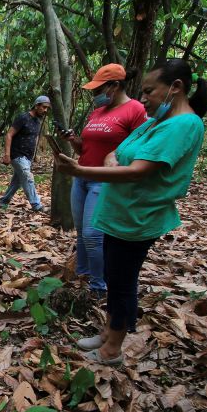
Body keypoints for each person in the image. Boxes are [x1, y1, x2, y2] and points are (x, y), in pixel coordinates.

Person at [55, 58, 207, 365]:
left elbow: (138, 170)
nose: (144, 98)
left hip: (138, 217)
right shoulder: (156, 123)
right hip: (119, 212)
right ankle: (107, 333)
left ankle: (112, 350)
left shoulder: (185, 124)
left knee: (123, 281)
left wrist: (84, 170)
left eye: (150, 91)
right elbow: (118, 150)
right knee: (114, 275)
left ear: (175, 88)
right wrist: (111, 159)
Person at [61, 64, 147, 296]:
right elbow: (85, 149)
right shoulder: (98, 112)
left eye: (99, 89)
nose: (95, 95)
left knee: (92, 234)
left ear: (115, 85)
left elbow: (140, 146)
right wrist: (73, 140)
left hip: (105, 180)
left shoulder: (135, 110)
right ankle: (82, 276)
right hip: (83, 176)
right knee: (80, 232)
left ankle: (99, 286)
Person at [0, 96, 51, 212]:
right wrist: (7, 154)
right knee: (28, 177)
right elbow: (9, 135)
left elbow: (34, 137)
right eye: (44, 107)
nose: (45, 110)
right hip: (17, 154)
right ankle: (36, 205)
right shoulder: (23, 118)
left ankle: (3, 201)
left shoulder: (38, 121)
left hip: (27, 156)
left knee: (17, 182)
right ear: (36, 105)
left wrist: (35, 155)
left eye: (47, 108)